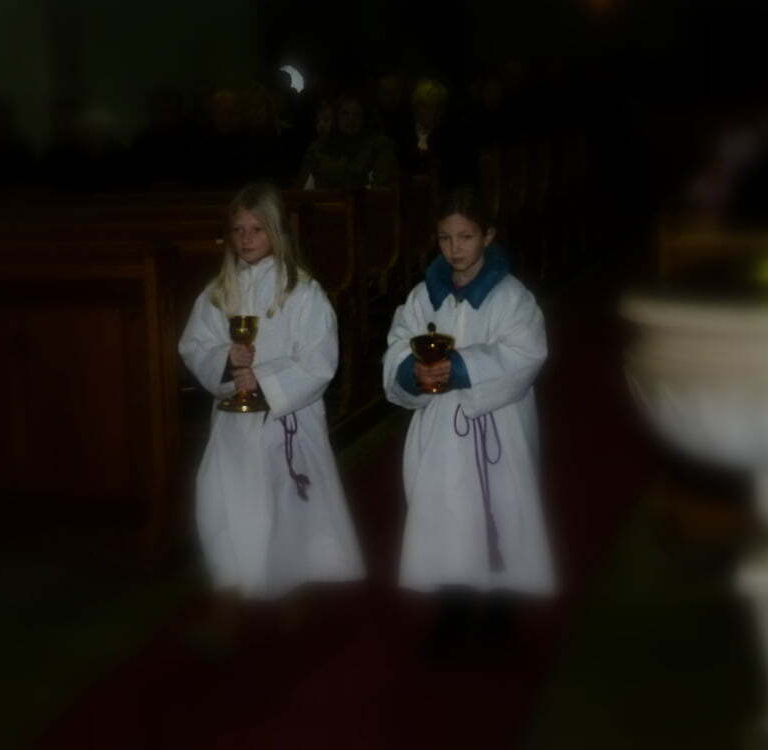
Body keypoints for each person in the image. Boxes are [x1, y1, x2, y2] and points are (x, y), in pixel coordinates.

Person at [382, 187, 555, 652]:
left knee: (499, 511)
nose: (455, 248)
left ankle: (500, 612)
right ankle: (452, 610)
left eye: (466, 237)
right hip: (440, 428)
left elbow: (526, 353)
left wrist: (461, 367)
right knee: (447, 513)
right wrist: (413, 371)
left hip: (498, 424)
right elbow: (398, 342)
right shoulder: (423, 296)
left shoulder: (511, 297)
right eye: (445, 238)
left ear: (488, 236)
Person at [178, 183, 365, 613]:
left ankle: (289, 587)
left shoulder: (302, 292)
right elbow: (193, 344)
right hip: (233, 424)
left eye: (256, 229)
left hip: (285, 421)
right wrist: (225, 360)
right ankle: (236, 579)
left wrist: (262, 382)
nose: (245, 239)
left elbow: (319, 361)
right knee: (225, 501)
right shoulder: (218, 292)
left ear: (277, 232)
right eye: (238, 230)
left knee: (284, 510)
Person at [296, 91, 399, 189]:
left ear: (364, 118)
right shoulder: (318, 148)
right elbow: (301, 187)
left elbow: (381, 186)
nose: (351, 119)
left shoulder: (379, 146)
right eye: (345, 113)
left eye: (357, 114)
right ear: (336, 116)